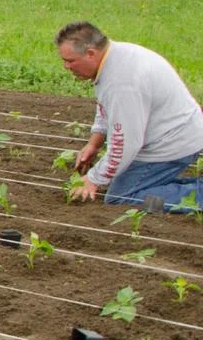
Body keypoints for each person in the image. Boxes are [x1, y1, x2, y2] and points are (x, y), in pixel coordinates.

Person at [57, 21, 203, 208]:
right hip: (177, 132)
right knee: (127, 186)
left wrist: (93, 179)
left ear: (91, 53)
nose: (66, 67)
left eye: (70, 61)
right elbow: (107, 107)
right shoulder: (115, 57)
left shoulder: (122, 82)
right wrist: (94, 143)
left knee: (123, 198)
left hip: (172, 144)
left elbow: (126, 144)